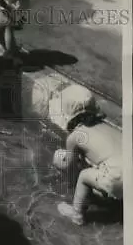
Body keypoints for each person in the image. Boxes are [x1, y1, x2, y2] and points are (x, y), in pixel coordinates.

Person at [52, 85, 122, 225]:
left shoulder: (75, 136)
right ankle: (109, 198)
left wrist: (61, 159)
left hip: (117, 178)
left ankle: (77, 214)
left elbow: (68, 166)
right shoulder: (107, 126)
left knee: (84, 175)